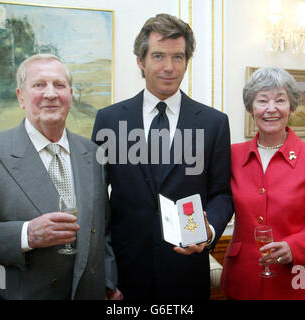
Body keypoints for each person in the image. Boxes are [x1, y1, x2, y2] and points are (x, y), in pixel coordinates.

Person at [0, 54, 119, 300]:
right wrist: (26, 235)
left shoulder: (93, 154)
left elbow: (103, 229)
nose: (50, 93)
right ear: (21, 97)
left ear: (70, 95)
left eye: (59, 85)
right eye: (39, 85)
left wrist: (108, 281)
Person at [92, 14, 233, 300]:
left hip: (186, 272)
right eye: (158, 56)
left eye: (178, 57)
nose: (169, 67)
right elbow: (96, 199)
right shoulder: (108, 120)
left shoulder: (214, 123)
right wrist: (106, 274)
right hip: (124, 274)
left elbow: (222, 194)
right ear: (140, 61)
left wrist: (208, 231)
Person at [221, 67, 305, 300]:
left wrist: (294, 247)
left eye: (280, 100)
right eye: (262, 100)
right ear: (251, 108)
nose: (271, 108)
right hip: (243, 280)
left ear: (291, 106)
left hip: (297, 282)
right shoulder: (232, 156)